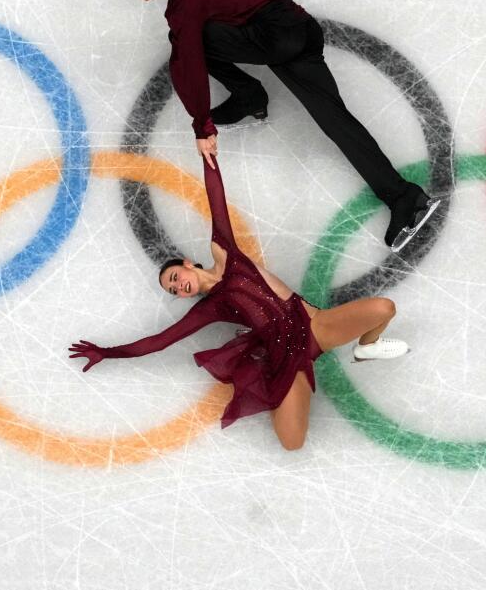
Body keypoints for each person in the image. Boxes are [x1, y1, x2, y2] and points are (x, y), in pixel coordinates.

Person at [112, 0, 440, 252]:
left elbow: (187, 64)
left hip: (277, 37)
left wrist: (202, 126)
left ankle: (250, 95)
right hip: (302, 32)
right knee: (338, 123)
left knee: (186, 43)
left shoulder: (183, 5)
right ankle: (403, 198)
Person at [68, 155, 408, 451]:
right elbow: (159, 341)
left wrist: (206, 153)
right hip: (286, 357)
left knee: (384, 309)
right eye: (173, 291)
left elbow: (215, 196)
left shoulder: (226, 252)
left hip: (315, 327)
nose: (178, 287)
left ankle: (367, 347)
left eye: (174, 278)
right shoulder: (210, 308)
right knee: (292, 441)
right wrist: (108, 352)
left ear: (187, 264)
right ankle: (283, 390)